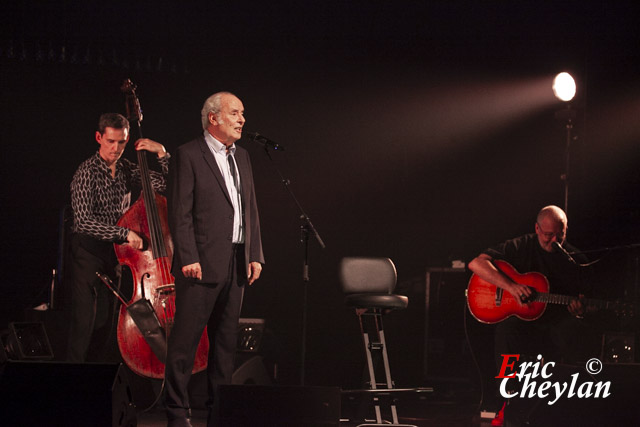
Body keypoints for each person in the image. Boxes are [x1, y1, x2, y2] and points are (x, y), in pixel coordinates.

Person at [165, 92, 265, 427]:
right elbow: (179, 212)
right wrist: (188, 256)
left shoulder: (244, 158)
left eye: (243, 113)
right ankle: (177, 412)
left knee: (225, 346)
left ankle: (218, 413)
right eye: (235, 113)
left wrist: (254, 254)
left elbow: (249, 208)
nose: (242, 119)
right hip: (200, 264)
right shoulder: (188, 154)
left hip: (236, 263)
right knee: (185, 344)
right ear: (213, 118)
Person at [468, 205, 592, 426]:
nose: (554, 240)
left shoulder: (575, 259)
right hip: (523, 323)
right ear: (537, 228)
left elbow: (582, 297)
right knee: (506, 332)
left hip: (554, 324)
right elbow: (476, 263)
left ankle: (546, 404)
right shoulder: (521, 246)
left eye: (560, 234)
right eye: (548, 235)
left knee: (571, 333)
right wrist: (512, 287)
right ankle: (506, 395)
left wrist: (579, 310)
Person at [68, 112, 169, 362]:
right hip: (88, 254)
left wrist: (162, 153)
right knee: (85, 324)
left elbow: (166, 185)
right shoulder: (86, 172)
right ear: (98, 137)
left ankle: (95, 382)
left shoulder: (126, 168)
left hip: (114, 255)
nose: (115, 149)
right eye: (110, 141)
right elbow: (83, 222)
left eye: (121, 142)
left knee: (105, 324)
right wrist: (124, 233)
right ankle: (72, 382)